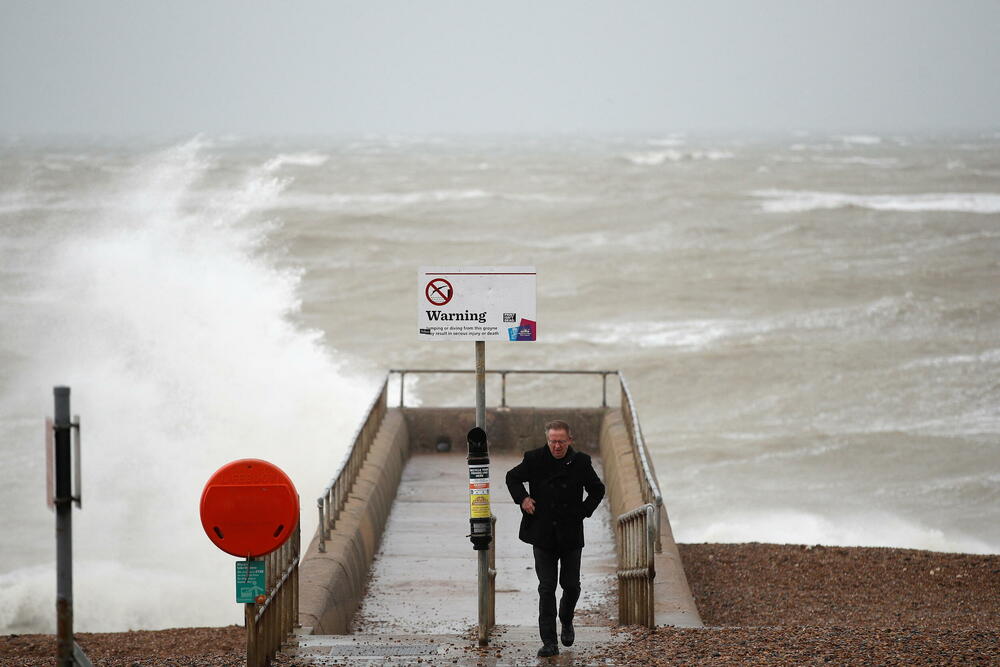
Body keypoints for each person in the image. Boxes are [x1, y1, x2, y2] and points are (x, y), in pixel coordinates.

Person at [505, 419, 605, 657]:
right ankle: (549, 642)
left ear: (570, 440)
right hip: (543, 534)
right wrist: (523, 499)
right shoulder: (534, 459)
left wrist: (582, 512)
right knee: (546, 588)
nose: (557, 446)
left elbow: (597, 490)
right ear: (547, 440)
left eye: (561, 441)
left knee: (571, 586)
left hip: (570, 534)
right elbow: (512, 477)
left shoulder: (581, 462)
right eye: (552, 441)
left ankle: (566, 619)